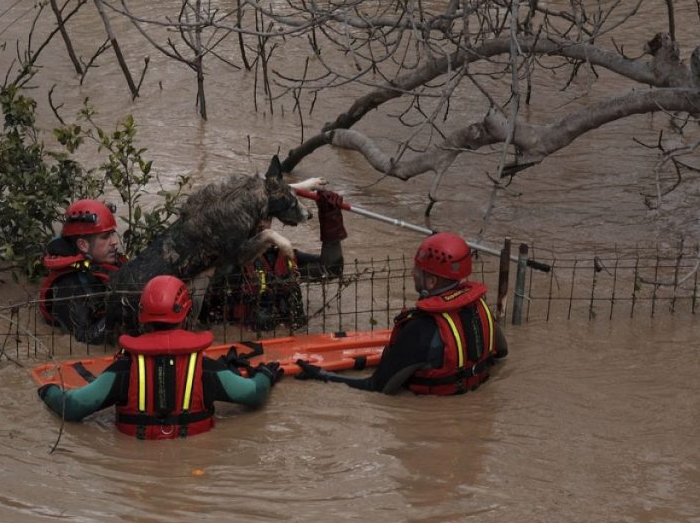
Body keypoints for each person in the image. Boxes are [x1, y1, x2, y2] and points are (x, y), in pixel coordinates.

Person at [38, 275, 284, 439]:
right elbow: (254, 395)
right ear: (187, 316)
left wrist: (47, 390)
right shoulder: (208, 370)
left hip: (136, 468)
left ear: (142, 319)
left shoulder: (122, 371)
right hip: (193, 465)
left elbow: (70, 408)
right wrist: (264, 375)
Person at [295, 232, 508, 394]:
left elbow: (377, 387)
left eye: (417, 269)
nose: (413, 273)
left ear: (431, 281)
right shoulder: (480, 307)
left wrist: (322, 375)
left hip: (428, 415)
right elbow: (502, 352)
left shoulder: (420, 328)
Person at [199, 188, 349, 330]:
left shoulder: (284, 256)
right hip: (238, 344)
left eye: (267, 217)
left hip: (288, 343)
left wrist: (330, 220)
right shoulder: (221, 260)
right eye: (255, 218)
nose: (262, 224)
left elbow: (330, 270)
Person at [38, 199, 127, 344]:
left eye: (112, 233)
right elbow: (83, 339)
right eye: (105, 237)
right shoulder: (69, 288)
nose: (114, 241)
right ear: (83, 245)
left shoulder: (103, 262)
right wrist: (120, 310)